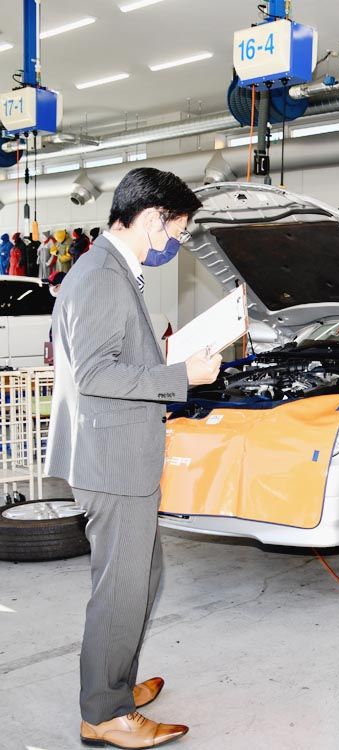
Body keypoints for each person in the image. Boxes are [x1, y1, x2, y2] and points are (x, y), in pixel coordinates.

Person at [46, 168, 221, 749]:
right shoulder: (102, 275)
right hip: (113, 459)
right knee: (121, 588)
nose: (178, 242)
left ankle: (114, 682)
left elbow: (113, 358)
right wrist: (181, 375)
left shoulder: (110, 270)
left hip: (116, 452)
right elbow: (96, 374)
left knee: (143, 577)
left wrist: (167, 361)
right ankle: (104, 712)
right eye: (179, 230)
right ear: (152, 219)